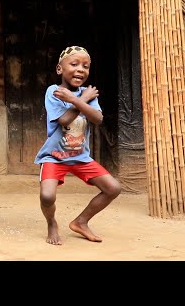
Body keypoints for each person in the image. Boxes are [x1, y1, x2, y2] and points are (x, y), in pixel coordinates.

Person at [34, 46, 121, 245]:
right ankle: (51, 223)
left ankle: (81, 222)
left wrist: (75, 98)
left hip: (80, 156)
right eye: (74, 64)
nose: (80, 69)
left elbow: (97, 118)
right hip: (54, 156)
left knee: (113, 188)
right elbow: (64, 120)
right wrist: (81, 99)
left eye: (86, 66)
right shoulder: (53, 92)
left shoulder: (88, 94)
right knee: (47, 196)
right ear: (59, 68)